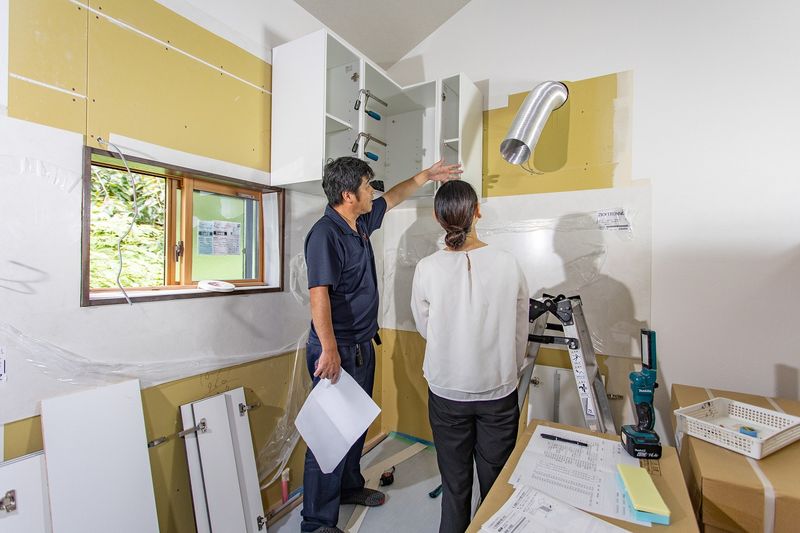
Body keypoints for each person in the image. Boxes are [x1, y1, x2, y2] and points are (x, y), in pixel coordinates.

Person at [302, 156, 462, 533]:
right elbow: (318, 295)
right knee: (328, 437)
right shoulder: (325, 234)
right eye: (366, 186)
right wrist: (329, 350)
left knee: (354, 425)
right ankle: (316, 522)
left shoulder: (357, 222)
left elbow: (394, 196)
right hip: (337, 350)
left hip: (361, 345)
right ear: (348, 195)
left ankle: (348, 487)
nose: (372, 192)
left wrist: (426, 175)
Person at [411, 181, 530, 533]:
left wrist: (451, 344)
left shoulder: (427, 268)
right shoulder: (508, 263)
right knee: (496, 488)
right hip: (498, 391)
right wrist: (508, 367)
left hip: (447, 392)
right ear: (478, 212)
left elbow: (424, 326)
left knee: (455, 485)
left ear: (438, 218)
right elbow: (520, 326)